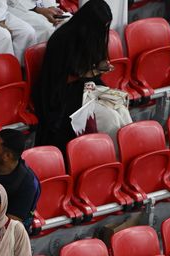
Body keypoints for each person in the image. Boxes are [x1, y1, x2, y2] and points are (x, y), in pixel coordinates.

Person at [33, 0, 113, 151]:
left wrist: (100, 66)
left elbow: (92, 65)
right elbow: (62, 78)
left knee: (118, 106)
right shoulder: (62, 40)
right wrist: (93, 72)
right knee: (108, 116)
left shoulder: (91, 35)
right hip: (63, 92)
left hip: (87, 85)